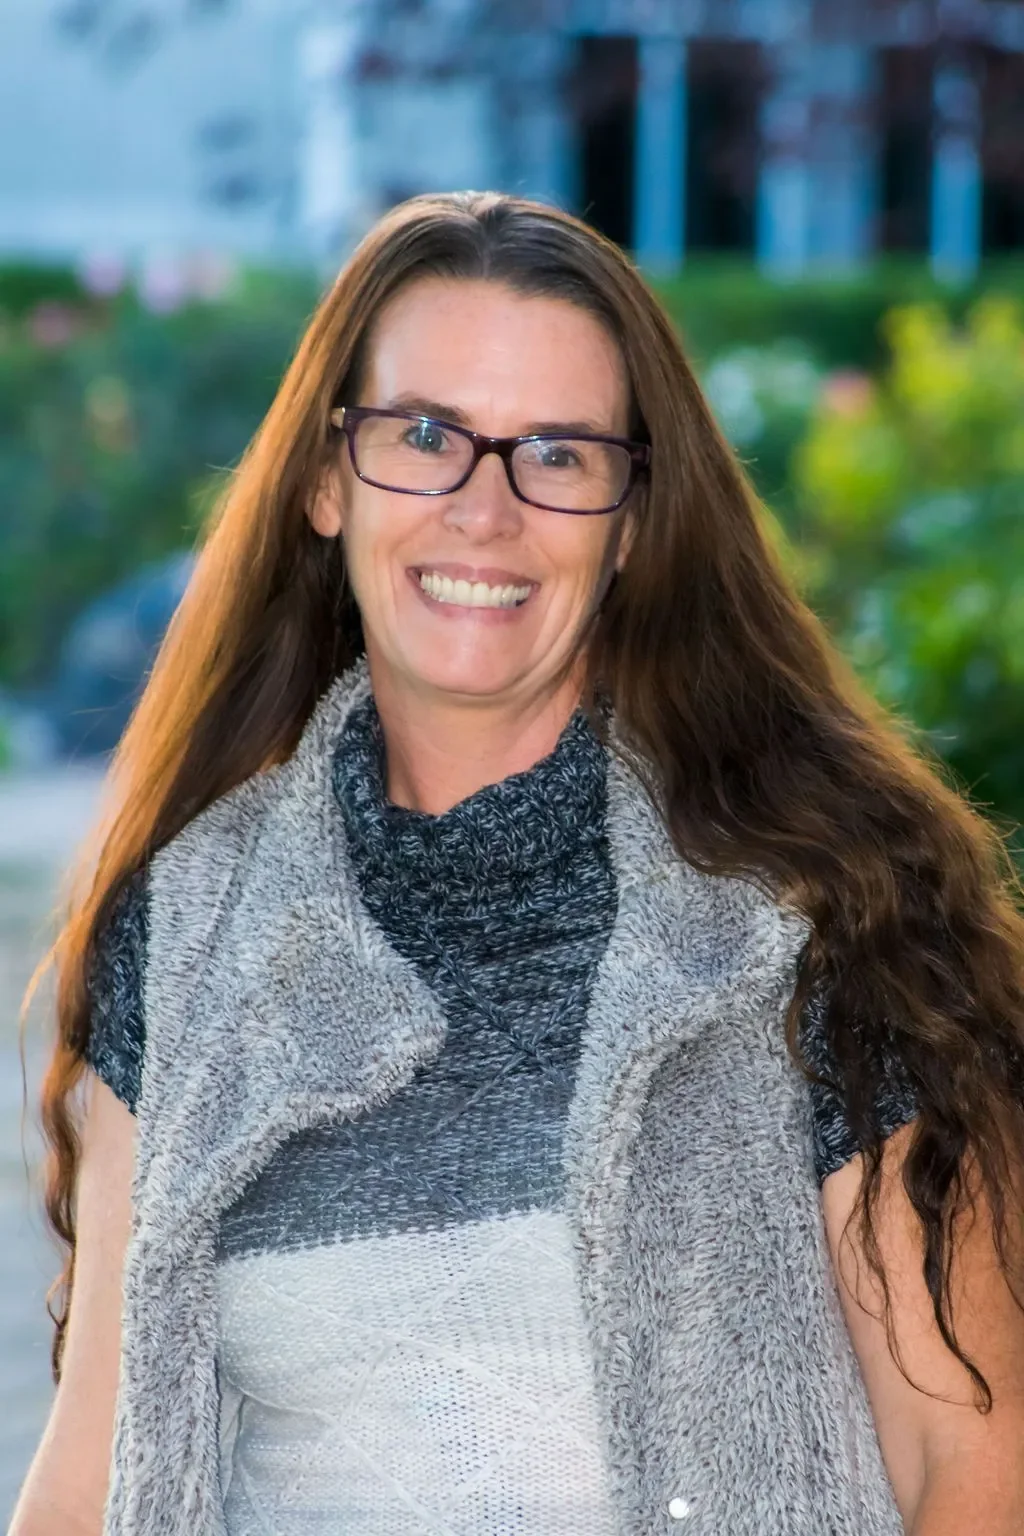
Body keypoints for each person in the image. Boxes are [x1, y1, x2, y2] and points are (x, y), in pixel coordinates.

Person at [11, 190, 1024, 1536]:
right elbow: (94, 1473)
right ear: (325, 479)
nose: (483, 510)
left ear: (631, 516)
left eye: (556, 453)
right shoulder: (189, 926)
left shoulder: (823, 905)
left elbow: (977, 1471)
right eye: (425, 435)